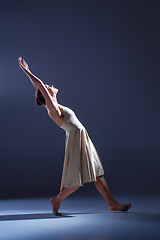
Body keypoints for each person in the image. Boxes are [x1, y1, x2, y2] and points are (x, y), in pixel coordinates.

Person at [18, 57, 131, 216]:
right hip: (76, 141)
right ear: (46, 95)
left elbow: (40, 87)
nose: (50, 85)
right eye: (47, 87)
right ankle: (57, 200)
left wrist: (31, 76)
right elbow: (40, 86)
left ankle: (112, 203)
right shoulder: (52, 109)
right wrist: (27, 71)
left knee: (97, 174)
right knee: (78, 178)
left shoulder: (57, 106)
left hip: (83, 138)